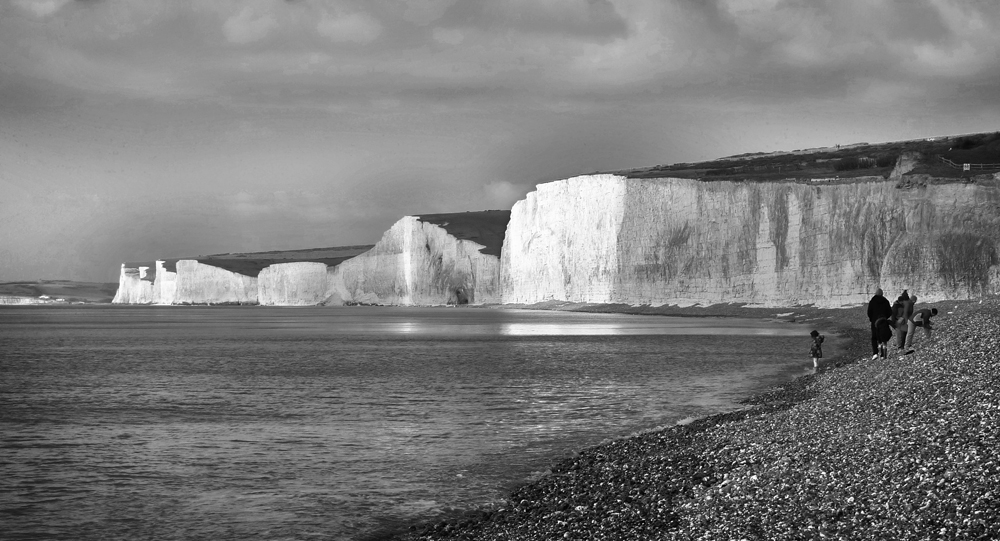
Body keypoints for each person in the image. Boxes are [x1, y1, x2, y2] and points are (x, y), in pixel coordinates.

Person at [866, 288, 892, 360]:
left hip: (875, 322)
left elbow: (869, 312)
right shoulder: (885, 301)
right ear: (882, 294)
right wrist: (885, 317)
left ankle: (875, 353)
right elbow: (890, 312)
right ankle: (883, 355)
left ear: (875, 293)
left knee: (874, 337)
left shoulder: (872, 301)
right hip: (883, 321)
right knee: (883, 337)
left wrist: (872, 319)